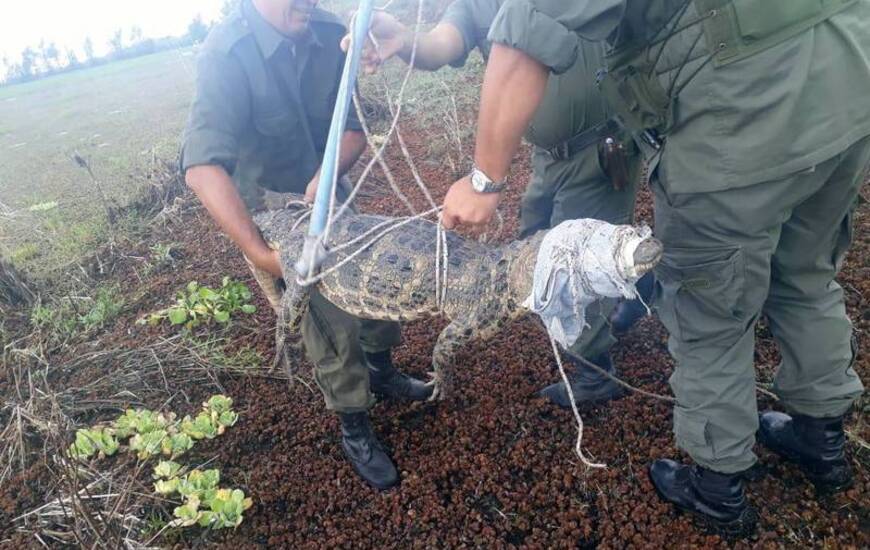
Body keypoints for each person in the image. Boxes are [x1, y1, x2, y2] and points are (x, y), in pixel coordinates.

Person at [439, 0, 870, 536]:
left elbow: (527, 36)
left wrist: (483, 180)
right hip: (848, 88)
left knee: (708, 309)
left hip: (742, 121)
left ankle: (718, 489)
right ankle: (822, 440)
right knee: (806, 277)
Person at [351, 1, 656, 410]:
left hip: (599, 151)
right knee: (533, 240)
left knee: (567, 273)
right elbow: (442, 43)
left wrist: (483, 181)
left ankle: (595, 374)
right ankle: (641, 286)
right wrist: (405, 40)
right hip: (549, 154)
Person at [180, 0, 434, 491]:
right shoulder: (226, 53)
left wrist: (326, 175)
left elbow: (356, 130)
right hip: (278, 215)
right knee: (330, 318)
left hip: (329, 194)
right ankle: (354, 424)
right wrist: (259, 253)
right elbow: (202, 169)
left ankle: (381, 370)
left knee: (378, 283)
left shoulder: (329, 31)